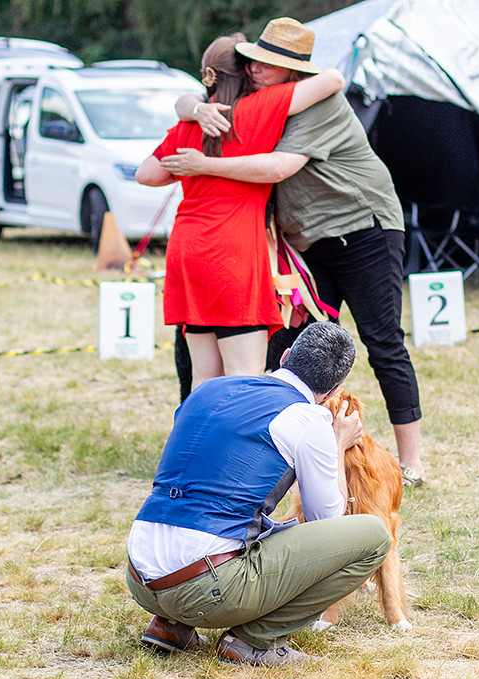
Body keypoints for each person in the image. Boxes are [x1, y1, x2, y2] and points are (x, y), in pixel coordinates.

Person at [166, 18, 428, 486]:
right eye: (254, 61)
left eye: (268, 65)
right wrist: (195, 108)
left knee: (383, 341)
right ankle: (284, 449)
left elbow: (279, 167)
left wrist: (204, 165)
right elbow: (187, 100)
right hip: (307, 242)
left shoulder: (314, 102)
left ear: (294, 70)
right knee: (291, 347)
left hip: (363, 229)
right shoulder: (257, 101)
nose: (256, 70)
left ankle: (412, 463)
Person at [126, 321, 391, 667]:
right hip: (205, 588)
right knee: (373, 535)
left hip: (140, 576)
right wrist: (338, 443)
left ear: (284, 356)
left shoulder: (209, 388)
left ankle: (169, 625)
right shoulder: (310, 419)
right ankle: (255, 640)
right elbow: (328, 518)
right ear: (333, 390)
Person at [135, 29, 344, 391]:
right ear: (246, 70)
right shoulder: (258, 107)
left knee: (203, 378)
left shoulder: (189, 124)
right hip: (233, 252)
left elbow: (147, 174)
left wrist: (194, 111)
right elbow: (333, 80)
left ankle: (197, 430)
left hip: (188, 248)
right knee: (245, 377)